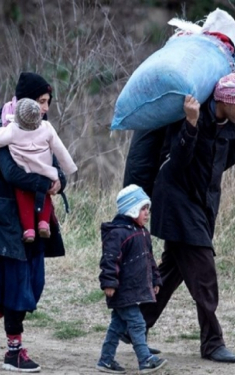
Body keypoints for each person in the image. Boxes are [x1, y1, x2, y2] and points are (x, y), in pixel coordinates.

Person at [0, 72, 67, 373]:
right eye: (41, 101)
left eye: (47, 102)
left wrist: (59, 181)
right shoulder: (5, 130)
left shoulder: (41, 128)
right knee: (16, 286)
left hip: (36, 219)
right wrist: (45, 181)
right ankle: (14, 351)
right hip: (5, 222)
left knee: (33, 286)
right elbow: (11, 173)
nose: (45, 108)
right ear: (25, 102)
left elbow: (56, 167)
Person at [132, 73, 235, 362]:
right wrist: (190, 125)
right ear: (226, 101)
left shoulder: (229, 129)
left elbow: (222, 163)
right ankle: (212, 342)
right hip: (176, 203)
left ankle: (133, 326)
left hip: (202, 206)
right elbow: (176, 161)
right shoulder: (192, 117)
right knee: (204, 273)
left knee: (170, 272)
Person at [0, 97, 77, 242]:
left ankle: (29, 230)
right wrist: (69, 168)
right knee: (45, 196)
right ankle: (43, 223)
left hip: (24, 172)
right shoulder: (47, 127)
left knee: (23, 197)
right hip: (45, 171)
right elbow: (60, 149)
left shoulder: (12, 130)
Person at [96, 184, 167, 374]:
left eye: (148, 209)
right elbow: (109, 260)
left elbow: (150, 259)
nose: (147, 213)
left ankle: (106, 360)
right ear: (132, 209)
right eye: (143, 209)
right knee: (137, 323)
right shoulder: (118, 233)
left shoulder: (142, 233)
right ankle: (145, 359)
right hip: (122, 290)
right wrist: (109, 282)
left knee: (117, 326)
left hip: (134, 289)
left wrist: (156, 280)